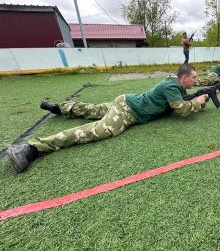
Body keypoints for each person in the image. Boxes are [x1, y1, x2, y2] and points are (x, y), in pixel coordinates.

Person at [7, 64, 208, 173]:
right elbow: (182, 109)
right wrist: (199, 101)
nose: (196, 81)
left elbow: (180, 102)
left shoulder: (175, 85)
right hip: (128, 110)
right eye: (194, 78)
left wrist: (202, 98)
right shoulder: (172, 87)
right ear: (184, 78)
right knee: (99, 130)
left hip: (126, 101)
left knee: (92, 109)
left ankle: (60, 108)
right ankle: (32, 148)